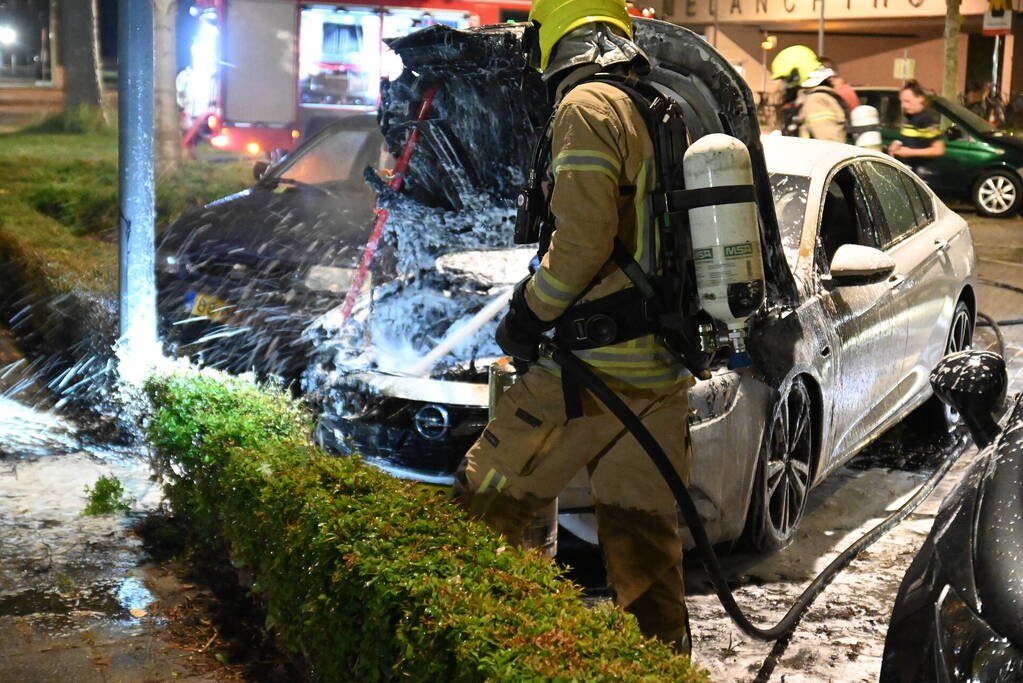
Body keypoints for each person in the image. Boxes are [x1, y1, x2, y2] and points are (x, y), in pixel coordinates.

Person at [451, 0, 696, 655]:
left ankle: (491, 658)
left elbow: (584, 240)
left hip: (586, 370)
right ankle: (659, 669)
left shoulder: (585, 107)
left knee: (485, 508)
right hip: (655, 372)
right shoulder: (655, 107)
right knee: (644, 551)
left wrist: (528, 313)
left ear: (554, 36)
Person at [771, 45, 848, 143]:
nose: (784, 86)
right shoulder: (814, 97)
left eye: (785, 79)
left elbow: (830, 144)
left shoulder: (816, 100)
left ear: (796, 76)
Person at [887, 80, 945, 173]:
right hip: (909, 171)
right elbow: (910, 140)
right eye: (901, 102)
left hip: (923, 173)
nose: (903, 105)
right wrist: (897, 143)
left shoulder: (927, 119)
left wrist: (910, 152)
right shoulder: (910, 117)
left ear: (920, 99)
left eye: (907, 101)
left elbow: (938, 150)